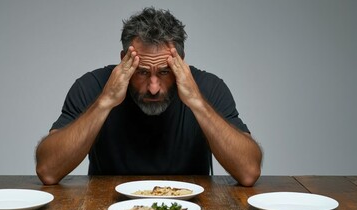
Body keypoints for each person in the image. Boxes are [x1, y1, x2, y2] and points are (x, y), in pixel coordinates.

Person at [35, 7, 262, 186]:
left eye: (164, 72)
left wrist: (198, 103)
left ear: (181, 63)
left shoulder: (209, 88)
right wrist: (104, 102)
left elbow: (249, 172)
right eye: (142, 72)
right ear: (124, 59)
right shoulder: (92, 86)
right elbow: (48, 170)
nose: (153, 87)